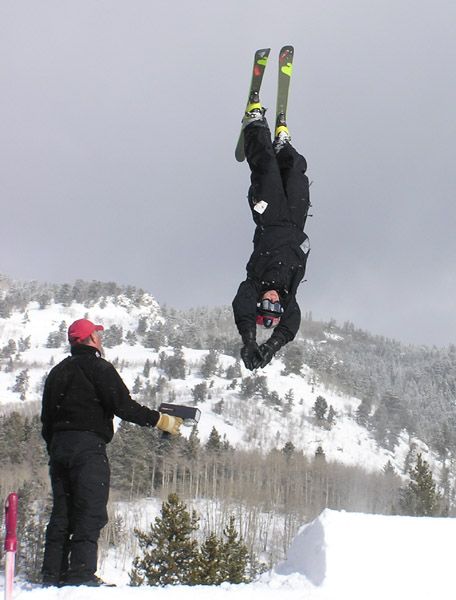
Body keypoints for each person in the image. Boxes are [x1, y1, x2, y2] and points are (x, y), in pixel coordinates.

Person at [40, 318, 182, 587]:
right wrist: (160, 420)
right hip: (87, 447)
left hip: (59, 448)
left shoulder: (57, 372)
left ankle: (51, 576)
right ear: (91, 339)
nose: (100, 339)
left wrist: (55, 447)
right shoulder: (99, 368)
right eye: (97, 334)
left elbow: (46, 419)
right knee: (89, 510)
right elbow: (123, 406)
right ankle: (80, 576)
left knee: (62, 512)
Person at [232, 91, 311, 370]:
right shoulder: (288, 294)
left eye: (267, 304)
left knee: (266, 170)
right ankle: (283, 145)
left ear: (258, 302)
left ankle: (255, 123)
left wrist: (250, 340)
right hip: (294, 221)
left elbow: (241, 304)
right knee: (298, 175)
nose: (273, 301)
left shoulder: (254, 284)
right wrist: (272, 346)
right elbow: (291, 324)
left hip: (270, 217)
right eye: (275, 307)